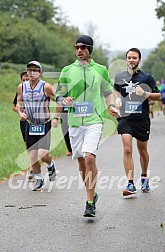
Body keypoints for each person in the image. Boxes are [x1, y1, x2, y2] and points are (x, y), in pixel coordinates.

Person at [55, 35, 117, 217]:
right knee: (82, 160)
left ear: (90, 50)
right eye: (77, 47)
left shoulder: (100, 70)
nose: (79, 50)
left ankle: (90, 202)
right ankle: (92, 193)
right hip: (74, 122)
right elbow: (59, 94)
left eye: (83, 47)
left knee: (90, 157)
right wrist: (63, 99)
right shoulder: (67, 70)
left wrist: (111, 106)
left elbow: (107, 92)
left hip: (94, 120)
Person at [113, 48, 161, 196]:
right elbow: (115, 90)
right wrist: (117, 100)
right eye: (129, 57)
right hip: (125, 118)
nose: (131, 60)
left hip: (142, 119)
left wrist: (145, 94)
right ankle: (130, 183)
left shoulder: (146, 77)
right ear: (126, 59)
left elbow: (158, 96)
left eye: (134, 58)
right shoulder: (120, 77)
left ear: (139, 60)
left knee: (142, 150)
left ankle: (144, 176)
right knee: (127, 149)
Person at [17, 61, 57, 191]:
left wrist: (56, 117)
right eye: (30, 70)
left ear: (40, 73)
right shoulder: (22, 87)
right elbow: (19, 103)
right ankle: (39, 179)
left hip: (44, 124)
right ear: (27, 72)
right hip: (30, 124)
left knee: (43, 154)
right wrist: (20, 113)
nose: (32, 72)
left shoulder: (46, 87)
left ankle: (51, 165)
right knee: (32, 155)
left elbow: (59, 100)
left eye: (35, 70)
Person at [13, 71, 35, 181]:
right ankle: (32, 167)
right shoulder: (20, 91)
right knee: (28, 144)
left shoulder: (38, 90)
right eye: (23, 80)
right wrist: (20, 112)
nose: (25, 82)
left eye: (27, 79)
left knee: (36, 145)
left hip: (36, 120)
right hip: (24, 121)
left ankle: (33, 168)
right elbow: (14, 106)